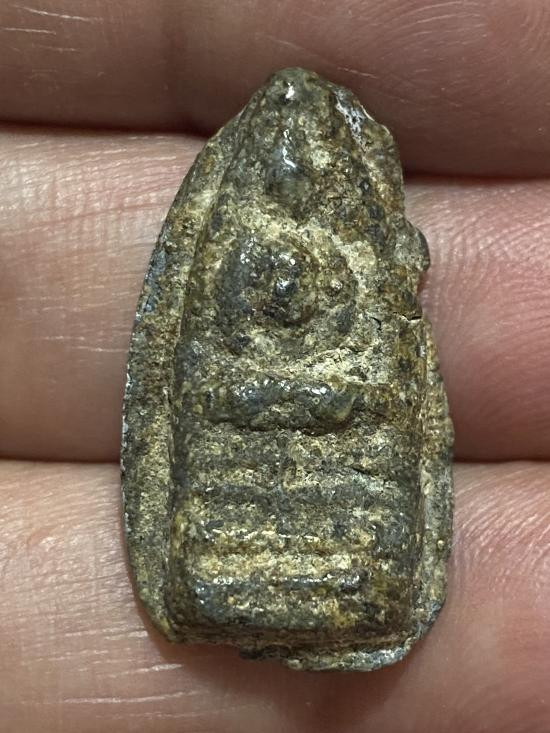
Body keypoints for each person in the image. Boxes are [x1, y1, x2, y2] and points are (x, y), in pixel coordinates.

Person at [1, 1, 549, 731]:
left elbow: (387, 379)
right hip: (234, 454)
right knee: (220, 453)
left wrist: (338, 392)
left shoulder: (362, 263)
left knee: (364, 467)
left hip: (347, 471)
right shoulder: (225, 258)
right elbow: (190, 380)